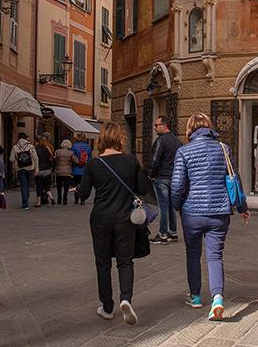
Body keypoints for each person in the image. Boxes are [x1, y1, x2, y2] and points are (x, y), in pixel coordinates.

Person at [171, 113, 250, 321]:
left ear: (190, 129)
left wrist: (177, 205)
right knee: (215, 256)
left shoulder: (183, 151)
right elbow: (235, 179)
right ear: (209, 127)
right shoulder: (223, 149)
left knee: (193, 255)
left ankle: (195, 296)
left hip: (192, 212)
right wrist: (242, 207)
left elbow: (177, 185)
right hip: (219, 211)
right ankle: (217, 298)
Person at [75, 123, 152, 326]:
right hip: (125, 219)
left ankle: (107, 307)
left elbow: (83, 193)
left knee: (103, 263)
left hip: (100, 219)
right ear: (120, 139)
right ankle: (126, 299)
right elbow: (143, 188)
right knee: (125, 261)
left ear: (102, 139)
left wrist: (76, 189)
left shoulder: (94, 164)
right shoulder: (130, 161)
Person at [149, 115, 182, 245]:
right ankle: (173, 233)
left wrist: (151, 174)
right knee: (171, 206)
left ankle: (162, 234)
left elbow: (155, 159)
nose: (155, 128)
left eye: (157, 125)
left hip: (162, 177)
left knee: (163, 206)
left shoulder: (160, 141)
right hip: (174, 178)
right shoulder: (177, 141)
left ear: (164, 126)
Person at [9, 132, 38, 210]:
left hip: (20, 168)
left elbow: (11, 159)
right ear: (26, 138)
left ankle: (25, 204)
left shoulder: (15, 147)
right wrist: (36, 169)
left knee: (23, 186)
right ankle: (26, 202)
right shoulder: (31, 146)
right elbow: (35, 158)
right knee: (27, 186)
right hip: (30, 168)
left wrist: (16, 162)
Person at [71, 133, 93, 204]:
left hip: (76, 169)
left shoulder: (74, 146)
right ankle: (82, 200)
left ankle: (76, 199)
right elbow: (90, 158)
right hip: (85, 169)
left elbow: (72, 156)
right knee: (83, 185)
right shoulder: (88, 147)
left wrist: (76, 162)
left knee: (76, 184)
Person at [34, 135, 55, 207]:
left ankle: (38, 202)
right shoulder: (47, 148)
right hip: (47, 169)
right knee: (47, 186)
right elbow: (52, 157)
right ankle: (51, 197)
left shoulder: (35, 149)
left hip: (39, 170)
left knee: (39, 186)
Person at [54, 139, 75, 205]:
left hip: (58, 171)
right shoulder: (71, 152)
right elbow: (76, 161)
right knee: (66, 187)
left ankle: (59, 199)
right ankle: (65, 199)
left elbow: (54, 159)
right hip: (67, 172)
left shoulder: (57, 151)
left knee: (59, 186)